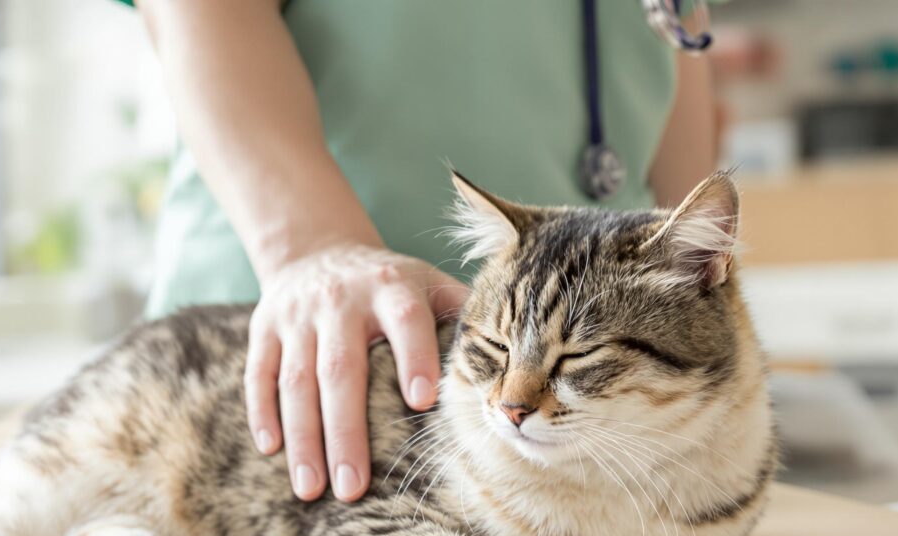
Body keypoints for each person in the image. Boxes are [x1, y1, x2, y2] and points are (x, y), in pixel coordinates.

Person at [127, 0, 718, 503]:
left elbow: (677, 66)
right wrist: (312, 247)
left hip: (613, 438)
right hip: (306, 351)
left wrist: (694, 316)